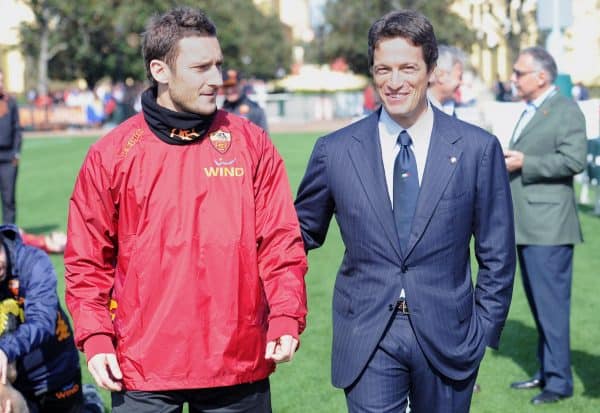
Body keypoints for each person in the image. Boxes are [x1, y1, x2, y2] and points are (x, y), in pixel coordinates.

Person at [64, 6, 307, 413]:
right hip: (142, 367)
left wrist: (285, 315)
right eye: (201, 68)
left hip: (238, 362)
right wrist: (95, 336)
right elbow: (87, 260)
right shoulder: (111, 154)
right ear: (160, 70)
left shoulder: (251, 144)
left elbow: (281, 243)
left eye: (218, 65)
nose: (216, 79)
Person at [295, 9, 515, 413]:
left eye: (407, 68)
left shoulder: (477, 149)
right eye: (384, 69)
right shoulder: (335, 151)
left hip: (450, 334)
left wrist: (483, 329)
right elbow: (297, 237)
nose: (394, 82)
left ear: (431, 69)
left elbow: (497, 252)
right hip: (366, 334)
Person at [504, 46, 587, 405]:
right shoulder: (533, 109)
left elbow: (574, 159)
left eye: (518, 72)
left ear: (541, 76)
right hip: (529, 223)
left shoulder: (565, 109)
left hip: (549, 226)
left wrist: (525, 162)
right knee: (540, 305)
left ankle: (559, 381)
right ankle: (546, 370)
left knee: (551, 307)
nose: (513, 78)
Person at [0, 225, 86, 413]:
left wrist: (5, 350)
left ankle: (91, 402)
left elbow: (42, 321)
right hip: (14, 379)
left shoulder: (33, 262)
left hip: (54, 372)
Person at [0, 70, 22, 225]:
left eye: (1, 81)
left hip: (8, 158)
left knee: (8, 199)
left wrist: (16, 153)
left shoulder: (10, 102)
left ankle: (8, 238)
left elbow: (17, 129)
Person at [427, 44, 466, 117]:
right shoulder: (418, 112)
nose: (462, 83)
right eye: (459, 77)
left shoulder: (451, 108)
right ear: (441, 76)